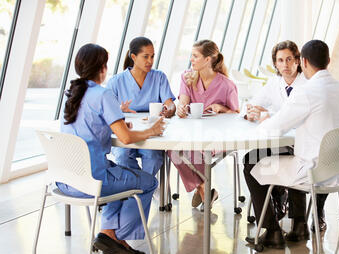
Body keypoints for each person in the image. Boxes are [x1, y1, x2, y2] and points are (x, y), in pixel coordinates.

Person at [57, 43, 166, 254]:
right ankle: (117, 235)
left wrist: (118, 122)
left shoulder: (72, 94)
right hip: (93, 181)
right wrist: (151, 131)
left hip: (66, 180)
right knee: (148, 182)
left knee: (121, 174)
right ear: (102, 68)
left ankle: (107, 231)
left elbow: (89, 124)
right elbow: (125, 138)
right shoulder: (102, 94)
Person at [244, 40, 339, 249]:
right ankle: (300, 225)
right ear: (328, 61)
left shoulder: (307, 92)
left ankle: (272, 231)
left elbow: (274, 128)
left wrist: (263, 119)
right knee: (293, 155)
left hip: (314, 171)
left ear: (302, 62)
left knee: (251, 162)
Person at [243, 40, 313, 232]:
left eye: (289, 59)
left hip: (303, 144)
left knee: (260, 160)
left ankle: (293, 222)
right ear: (275, 63)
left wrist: (268, 116)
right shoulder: (274, 83)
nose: (285, 65)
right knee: (253, 158)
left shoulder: (308, 84)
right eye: (280, 60)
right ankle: (272, 218)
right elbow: (252, 103)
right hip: (281, 142)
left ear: (298, 60)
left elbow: (291, 118)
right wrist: (251, 111)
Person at [170, 40, 239, 209]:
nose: (191, 59)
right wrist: (181, 109)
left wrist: (222, 108)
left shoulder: (227, 85)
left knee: (193, 150)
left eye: (195, 56)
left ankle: (202, 188)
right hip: (192, 135)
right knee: (172, 148)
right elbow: (183, 102)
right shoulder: (187, 77)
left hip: (217, 137)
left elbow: (237, 114)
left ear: (208, 59)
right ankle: (204, 188)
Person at [107, 36, 176, 177]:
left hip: (151, 131)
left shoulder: (159, 77)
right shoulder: (116, 81)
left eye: (152, 56)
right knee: (122, 157)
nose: (150, 61)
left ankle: (143, 189)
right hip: (126, 130)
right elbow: (108, 112)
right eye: (145, 57)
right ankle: (144, 187)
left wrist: (169, 110)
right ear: (133, 56)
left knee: (153, 157)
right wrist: (120, 110)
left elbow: (169, 103)